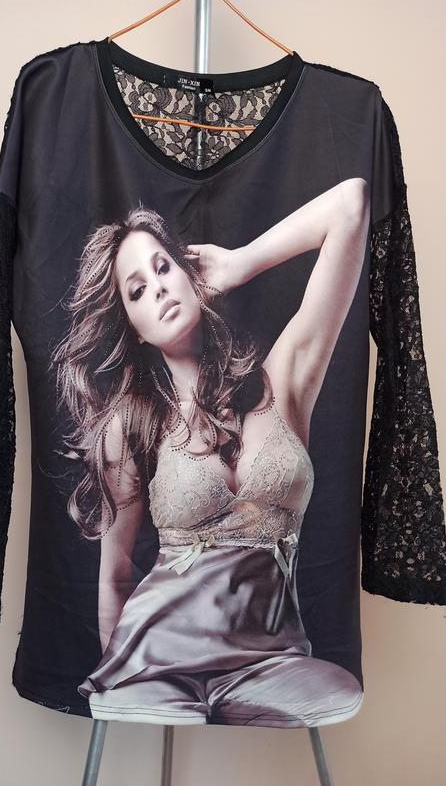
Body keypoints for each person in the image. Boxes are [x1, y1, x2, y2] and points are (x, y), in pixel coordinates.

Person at [49, 178, 370, 727]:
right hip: (157, 663)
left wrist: (241, 262)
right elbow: (116, 573)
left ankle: (224, 696)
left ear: (189, 274)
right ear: (134, 328)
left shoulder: (284, 381)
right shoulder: (132, 424)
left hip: (269, 660)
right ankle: (148, 692)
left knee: (337, 692)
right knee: (147, 704)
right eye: (137, 291)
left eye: (163, 268)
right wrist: (113, 673)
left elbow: (352, 204)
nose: (158, 289)